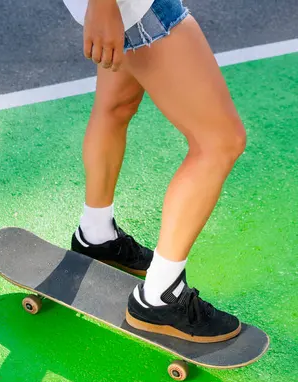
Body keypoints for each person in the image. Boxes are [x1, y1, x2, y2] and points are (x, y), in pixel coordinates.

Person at [64, 0, 245, 342]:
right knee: (220, 142)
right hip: (139, 7)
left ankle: (96, 234)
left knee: (115, 106)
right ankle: (161, 297)